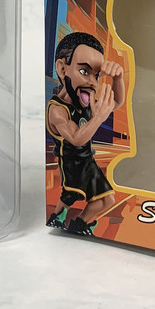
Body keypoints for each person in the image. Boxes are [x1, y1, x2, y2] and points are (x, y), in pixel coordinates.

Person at [46, 32, 125, 235]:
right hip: (71, 162)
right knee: (71, 196)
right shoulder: (57, 109)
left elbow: (116, 102)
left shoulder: (86, 100)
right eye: (84, 71)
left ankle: (79, 224)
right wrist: (98, 118)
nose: (92, 82)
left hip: (88, 161)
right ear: (62, 68)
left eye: (96, 75)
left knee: (107, 199)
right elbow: (76, 138)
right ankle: (56, 217)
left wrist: (118, 78)